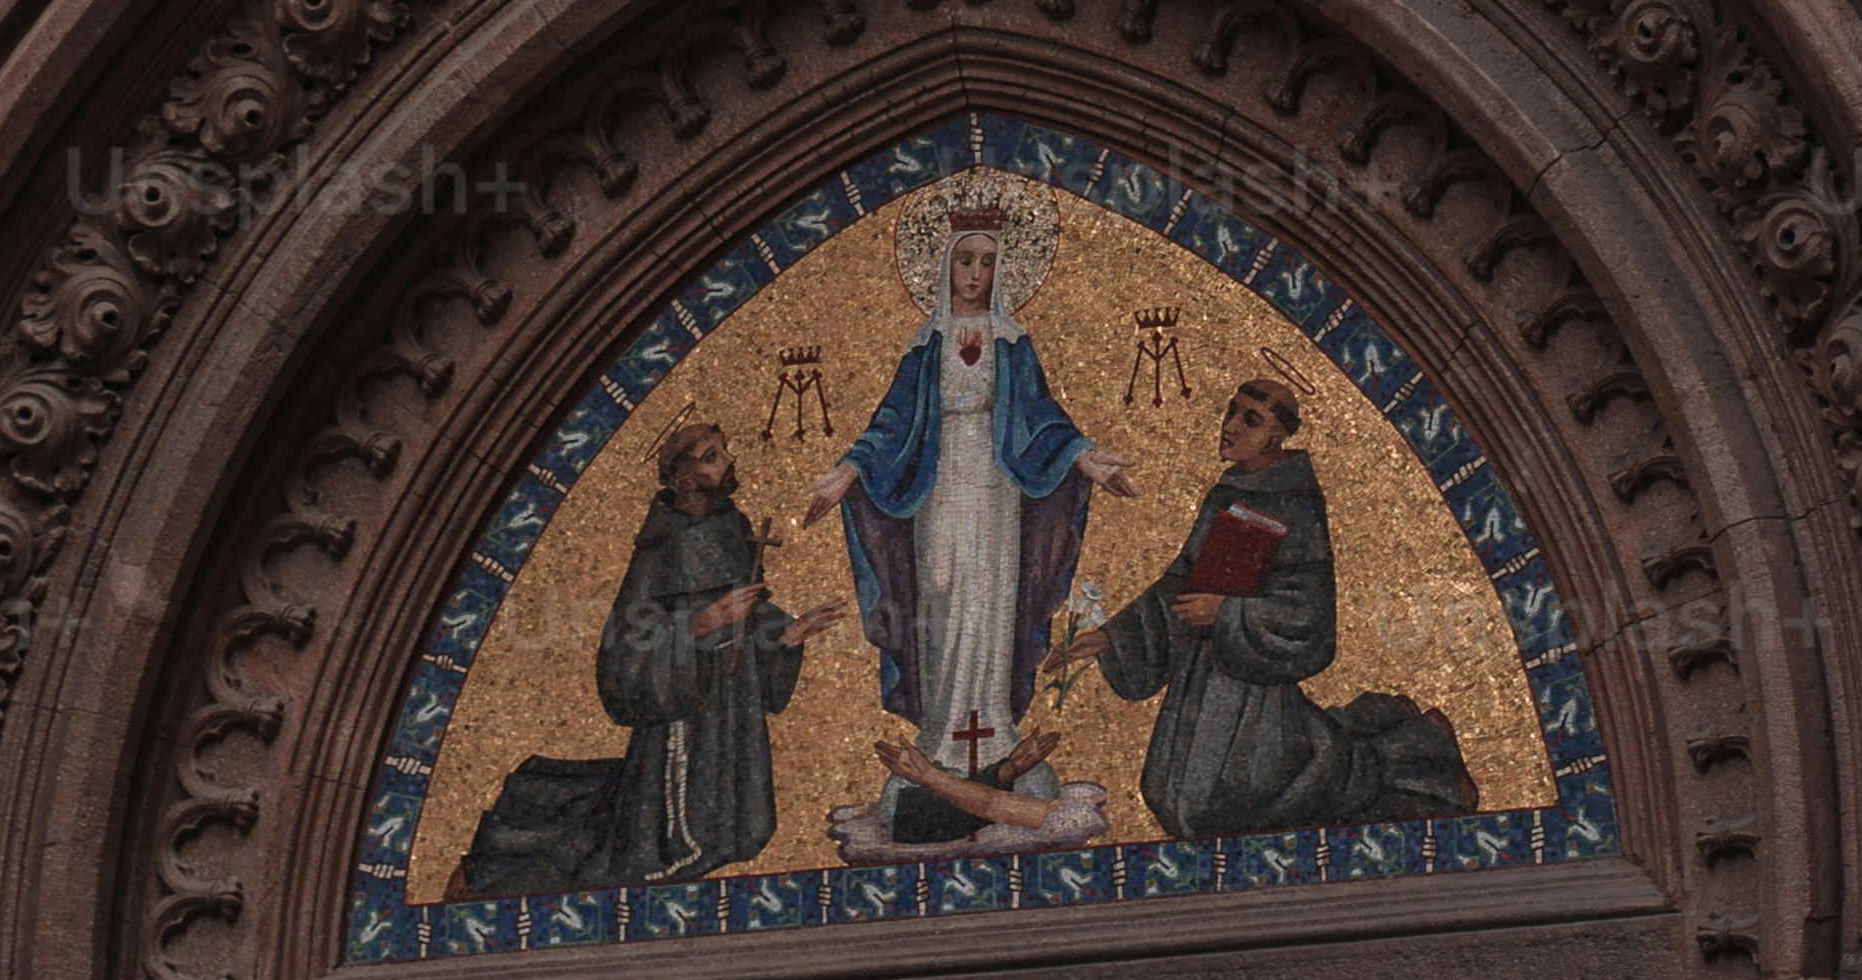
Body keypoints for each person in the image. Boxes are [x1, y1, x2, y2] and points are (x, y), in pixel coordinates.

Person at [804, 191, 1130, 787]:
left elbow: (1042, 418)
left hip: (996, 487)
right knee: (940, 590)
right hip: (938, 485)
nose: (976, 274)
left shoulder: (1012, 341)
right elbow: (891, 423)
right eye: (965, 260)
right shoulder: (925, 344)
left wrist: (1087, 459)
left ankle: (993, 724)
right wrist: (847, 471)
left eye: (987, 262)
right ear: (946, 265)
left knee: (991, 595)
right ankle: (941, 730)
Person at [454, 422, 840, 894]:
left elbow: (751, 616)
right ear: (682, 477)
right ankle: (495, 871)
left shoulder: (732, 528)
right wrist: (700, 624)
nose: (729, 460)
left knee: (746, 832)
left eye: (723, 450)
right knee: (669, 846)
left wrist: (791, 634)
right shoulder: (661, 545)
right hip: (682, 710)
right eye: (712, 456)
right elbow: (626, 643)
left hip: (733, 701)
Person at [1084, 371, 1472, 839]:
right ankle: (1371, 724)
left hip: (1251, 675)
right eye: (1232, 411)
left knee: (1222, 803)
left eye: (1250, 419)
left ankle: (1417, 747)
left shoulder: (1295, 502)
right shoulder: (1227, 492)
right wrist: (1115, 636)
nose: (1231, 425)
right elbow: (1183, 579)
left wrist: (1226, 613)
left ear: (1276, 436)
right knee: (1165, 794)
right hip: (1201, 673)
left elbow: (1310, 610)